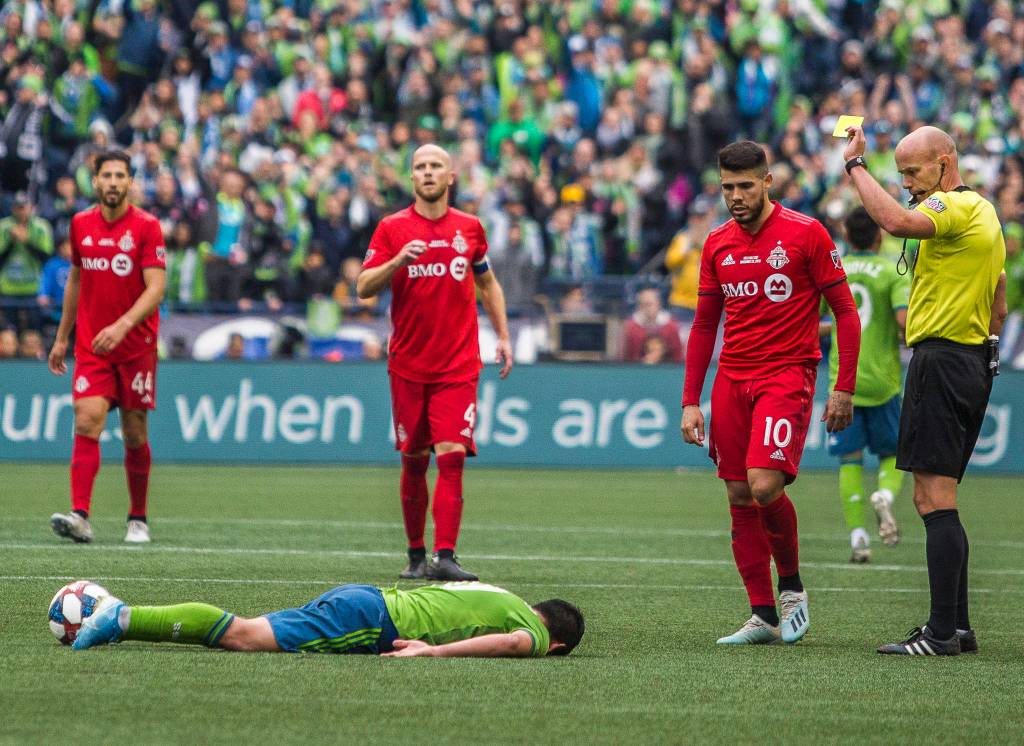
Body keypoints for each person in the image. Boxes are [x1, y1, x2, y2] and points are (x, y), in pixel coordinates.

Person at [680, 141, 861, 646]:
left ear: (767, 182)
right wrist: (690, 399)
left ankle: (792, 588)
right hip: (732, 379)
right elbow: (703, 325)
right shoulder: (716, 243)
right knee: (738, 493)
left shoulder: (806, 234)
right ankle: (761, 614)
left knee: (764, 486)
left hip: (787, 374)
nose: (735, 196)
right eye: (726, 188)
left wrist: (843, 387)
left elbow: (846, 313)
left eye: (744, 186)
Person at [844, 124, 1006, 656]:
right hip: (971, 357)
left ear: (945, 162)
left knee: (931, 497)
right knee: (942, 498)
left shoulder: (954, 206)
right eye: (902, 174)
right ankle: (957, 629)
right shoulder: (987, 215)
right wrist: (989, 343)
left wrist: (856, 167)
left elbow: (893, 220)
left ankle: (939, 633)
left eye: (913, 172)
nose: (909, 183)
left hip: (942, 359)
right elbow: (999, 292)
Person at [357, 144, 513, 582]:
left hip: (458, 365)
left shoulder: (470, 228)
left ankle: (445, 555)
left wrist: (502, 336)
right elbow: (363, 286)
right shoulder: (392, 229)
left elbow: (489, 284)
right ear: (412, 179)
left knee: (452, 455)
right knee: (413, 459)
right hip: (408, 364)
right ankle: (414, 556)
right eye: (420, 167)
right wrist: (396, 261)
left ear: (450, 178)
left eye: (435, 167)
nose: (427, 173)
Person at [47, 150, 167, 545]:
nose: (114, 182)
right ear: (94, 181)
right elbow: (76, 281)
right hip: (94, 345)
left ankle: (138, 518)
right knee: (86, 420)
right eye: (107, 175)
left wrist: (123, 324)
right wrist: (63, 336)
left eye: (121, 175)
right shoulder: (80, 224)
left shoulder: (147, 227)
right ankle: (80, 515)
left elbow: (157, 288)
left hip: (136, 346)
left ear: (131, 182)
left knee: (134, 433)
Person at [70, 581, 585, 658]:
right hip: (372, 619)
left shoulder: (506, 595)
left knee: (248, 631)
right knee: (245, 636)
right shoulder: (538, 633)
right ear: (557, 643)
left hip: (365, 596)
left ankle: (124, 617)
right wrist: (432, 651)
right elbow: (515, 645)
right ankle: (125, 616)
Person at [820, 208, 910, 563]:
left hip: (844, 384)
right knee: (892, 454)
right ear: (879, 235)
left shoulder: (835, 268)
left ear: (846, 234)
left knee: (849, 461)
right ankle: (885, 496)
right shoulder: (892, 270)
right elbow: (904, 323)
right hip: (883, 381)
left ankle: (858, 538)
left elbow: (814, 322)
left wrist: (838, 328)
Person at [620, 287, 684, 363]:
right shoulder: (631, 328)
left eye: (650, 304)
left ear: (658, 304)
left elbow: (677, 356)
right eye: (643, 305)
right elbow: (627, 357)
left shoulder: (671, 327)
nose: (647, 308)